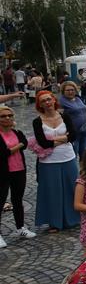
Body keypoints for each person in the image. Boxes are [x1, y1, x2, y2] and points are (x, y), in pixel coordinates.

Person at [32, 90, 81, 233]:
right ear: (40, 105)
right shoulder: (37, 121)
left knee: (72, 188)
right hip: (48, 161)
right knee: (53, 191)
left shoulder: (65, 116)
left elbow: (73, 135)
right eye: (43, 101)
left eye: (49, 99)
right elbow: (43, 143)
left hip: (68, 157)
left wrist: (54, 140)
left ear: (54, 100)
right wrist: (64, 138)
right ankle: (55, 222)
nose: (47, 102)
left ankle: (74, 218)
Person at [0, 105, 36, 247]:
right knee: (1, 201)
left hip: (19, 169)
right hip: (3, 173)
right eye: (3, 116)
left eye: (10, 115)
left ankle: (20, 227)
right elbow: (3, 153)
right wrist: (18, 146)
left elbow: (25, 143)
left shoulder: (17, 132)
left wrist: (13, 148)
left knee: (18, 200)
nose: (7, 118)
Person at [58, 81, 86, 158]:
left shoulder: (78, 99)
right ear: (63, 91)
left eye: (72, 90)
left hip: (84, 131)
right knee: (73, 155)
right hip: (73, 133)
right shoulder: (61, 102)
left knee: (85, 156)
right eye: (68, 90)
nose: (70, 92)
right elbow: (58, 117)